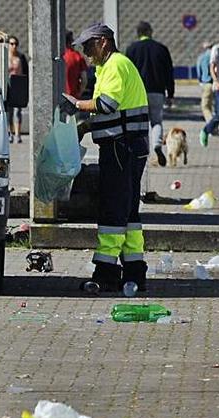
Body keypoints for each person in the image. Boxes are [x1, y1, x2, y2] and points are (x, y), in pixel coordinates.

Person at [61, 23, 151, 293]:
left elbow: (106, 105)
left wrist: (76, 104)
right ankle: (134, 272)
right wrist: (86, 127)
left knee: (113, 210)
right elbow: (116, 111)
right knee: (128, 213)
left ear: (102, 42)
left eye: (88, 46)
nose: (86, 53)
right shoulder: (115, 66)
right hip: (131, 146)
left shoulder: (114, 66)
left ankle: (107, 273)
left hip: (119, 148)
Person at [125, 21, 175, 167]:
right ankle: (157, 145)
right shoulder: (161, 49)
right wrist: (170, 93)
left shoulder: (132, 49)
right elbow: (169, 72)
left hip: (137, 93)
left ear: (138, 33)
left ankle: (141, 151)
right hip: (157, 91)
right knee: (156, 121)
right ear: (150, 32)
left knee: (140, 123)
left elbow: (127, 74)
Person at [6, 36, 28, 143]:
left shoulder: (21, 57)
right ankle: (10, 133)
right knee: (9, 112)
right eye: (11, 44)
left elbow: (25, 72)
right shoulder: (5, 56)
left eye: (15, 44)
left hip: (18, 85)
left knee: (17, 111)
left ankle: (18, 134)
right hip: (8, 85)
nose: (14, 46)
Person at [195, 40, 214, 124]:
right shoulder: (216, 57)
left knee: (205, 106)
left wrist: (200, 81)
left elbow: (199, 71)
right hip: (217, 84)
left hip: (207, 83)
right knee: (212, 106)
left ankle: (211, 125)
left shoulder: (202, 57)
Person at [63, 30, 86, 99]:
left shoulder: (57, 57)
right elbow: (84, 79)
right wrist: (79, 93)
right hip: (72, 97)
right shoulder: (77, 56)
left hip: (57, 96)